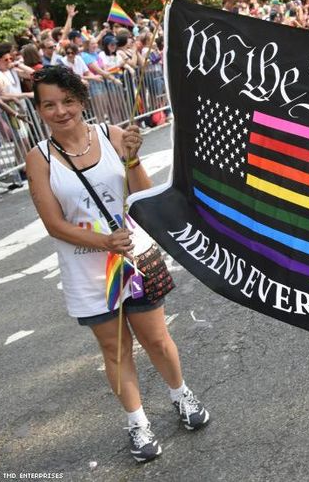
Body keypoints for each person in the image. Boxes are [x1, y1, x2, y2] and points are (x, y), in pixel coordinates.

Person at [24, 66, 210, 463]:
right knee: (116, 349)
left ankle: (181, 395)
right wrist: (104, 241)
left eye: (68, 101)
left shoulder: (110, 135)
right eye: (49, 105)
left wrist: (131, 159)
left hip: (135, 259)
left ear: (81, 100)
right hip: (87, 270)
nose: (61, 111)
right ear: (38, 110)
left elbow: (143, 194)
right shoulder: (39, 159)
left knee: (157, 340)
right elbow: (54, 225)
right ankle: (137, 422)